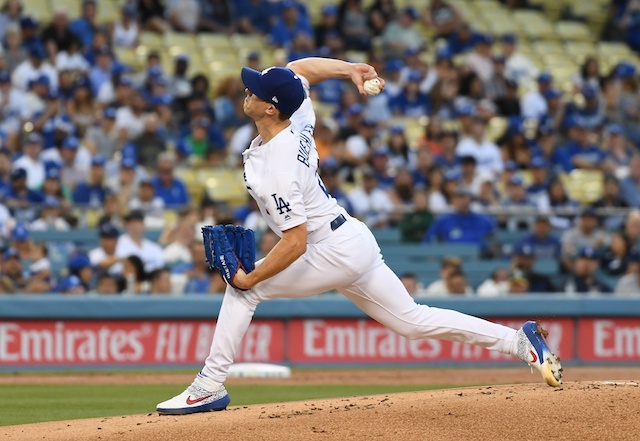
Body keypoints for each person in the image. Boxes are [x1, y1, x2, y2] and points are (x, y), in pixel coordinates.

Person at [156, 57, 563, 415]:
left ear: (270, 107)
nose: (248, 90)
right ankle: (518, 342)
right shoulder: (296, 117)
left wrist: (252, 278)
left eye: (256, 90)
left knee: (243, 292)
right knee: (413, 322)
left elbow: (295, 243)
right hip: (350, 238)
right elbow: (297, 70)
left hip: (326, 248)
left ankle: (208, 386)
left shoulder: (277, 171)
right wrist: (350, 69)